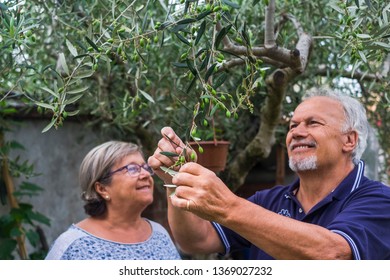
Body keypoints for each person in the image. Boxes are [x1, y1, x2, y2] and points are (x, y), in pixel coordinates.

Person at [148, 88, 390, 260]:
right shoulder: (268, 201)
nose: (296, 132)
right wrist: (176, 181)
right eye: (293, 125)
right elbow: (196, 240)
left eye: (313, 123)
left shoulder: (378, 200)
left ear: (349, 140)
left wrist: (229, 207)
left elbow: (332, 254)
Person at [45, 141, 181, 260]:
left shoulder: (159, 234)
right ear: (102, 189)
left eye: (145, 167)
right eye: (132, 169)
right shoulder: (73, 245)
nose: (146, 174)